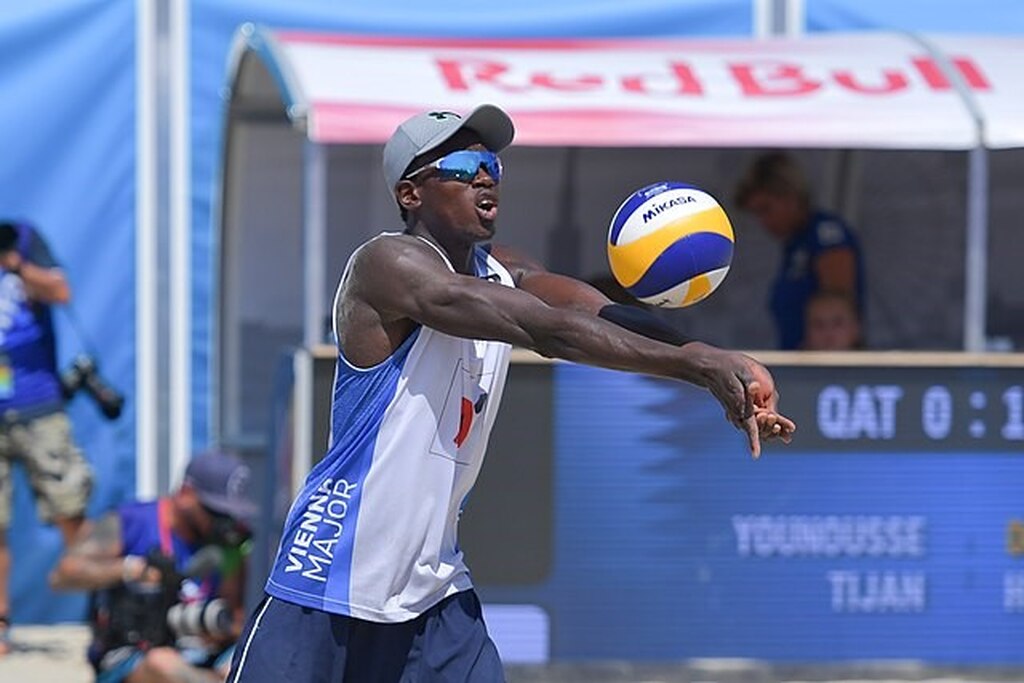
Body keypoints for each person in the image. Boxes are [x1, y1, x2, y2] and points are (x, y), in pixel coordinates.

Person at [227, 104, 796, 683]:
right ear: (410, 193)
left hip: (432, 593)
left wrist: (716, 357)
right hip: (329, 576)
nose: (485, 176)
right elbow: (543, 330)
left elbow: (594, 312)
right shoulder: (388, 265)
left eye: (492, 163)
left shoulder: (508, 269)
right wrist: (693, 365)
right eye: (466, 163)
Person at [50, 450, 256, 683]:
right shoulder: (133, 521)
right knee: (163, 665)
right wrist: (132, 569)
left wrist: (221, 630)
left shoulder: (229, 546)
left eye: (231, 514)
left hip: (201, 655)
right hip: (132, 656)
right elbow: (63, 574)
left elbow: (234, 618)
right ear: (186, 494)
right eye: (215, 511)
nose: (224, 522)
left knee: (256, 657)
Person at [0, 219, 94, 655]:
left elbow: (60, 291)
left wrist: (16, 266)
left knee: (70, 509)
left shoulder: (18, 236)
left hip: (38, 406)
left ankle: (104, 608)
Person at [733, 151, 865, 350]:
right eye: (757, 214)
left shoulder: (825, 235)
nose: (764, 222)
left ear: (789, 197)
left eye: (766, 209)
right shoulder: (795, 245)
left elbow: (838, 305)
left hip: (825, 369)